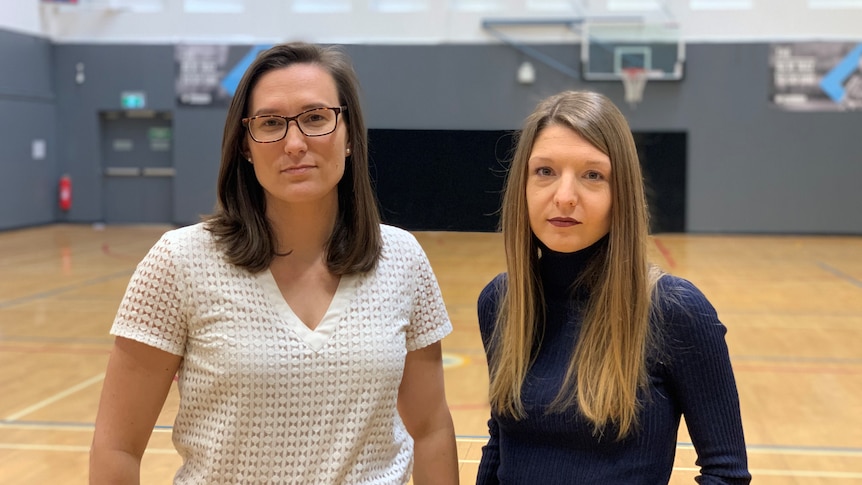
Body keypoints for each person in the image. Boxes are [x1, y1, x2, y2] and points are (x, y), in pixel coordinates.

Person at [90, 42, 459, 485]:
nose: (295, 143)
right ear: (245, 146)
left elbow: (432, 429)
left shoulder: (402, 259)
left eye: (316, 118)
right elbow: (117, 448)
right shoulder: (180, 262)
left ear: (349, 137)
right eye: (270, 123)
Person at [476, 91, 750, 484]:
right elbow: (501, 445)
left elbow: (726, 472)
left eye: (592, 175)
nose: (565, 197)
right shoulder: (501, 302)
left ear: (621, 191)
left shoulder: (675, 311)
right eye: (545, 172)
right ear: (522, 185)